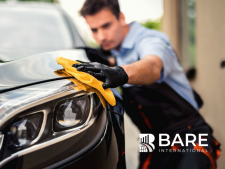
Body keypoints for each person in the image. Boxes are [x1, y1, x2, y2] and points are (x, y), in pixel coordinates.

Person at [73, 0, 221, 168]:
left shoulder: (151, 40)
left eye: (106, 26)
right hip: (149, 139)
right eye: (94, 30)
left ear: (121, 18)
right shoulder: (116, 51)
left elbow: (153, 66)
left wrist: (120, 73)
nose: (101, 36)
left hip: (187, 134)